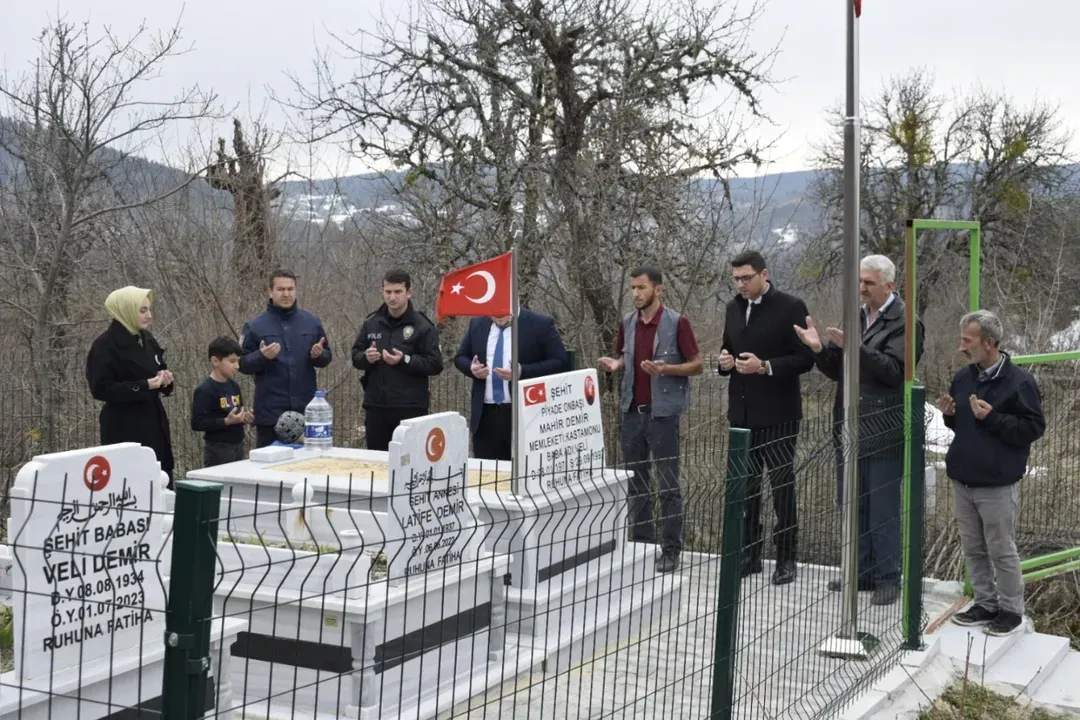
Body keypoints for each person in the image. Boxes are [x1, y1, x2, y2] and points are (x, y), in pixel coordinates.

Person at [794, 254, 924, 605]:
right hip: (849, 426)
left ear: (889, 286)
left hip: (882, 427)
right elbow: (839, 370)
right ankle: (861, 571)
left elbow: (896, 371)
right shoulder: (857, 317)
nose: (862, 288)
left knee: (882, 506)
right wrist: (819, 347)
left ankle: (887, 577)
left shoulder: (905, 323)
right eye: (860, 282)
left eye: (868, 282)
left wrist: (858, 348)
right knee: (852, 503)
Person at [938, 310, 1044, 637]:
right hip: (963, 477)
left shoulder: (1020, 382)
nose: (962, 346)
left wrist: (994, 418)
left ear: (990, 343)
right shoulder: (963, 378)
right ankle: (985, 603)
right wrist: (950, 415)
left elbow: (1033, 427)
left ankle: (1011, 611)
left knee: (1001, 548)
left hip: (997, 483)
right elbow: (963, 427)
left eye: (967, 341)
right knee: (973, 546)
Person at [717, 250, 814, 586]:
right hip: (741, 413)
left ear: (764, 274)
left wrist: (766, 366)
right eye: (737, 279)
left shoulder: (790, 307)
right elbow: (726, 348)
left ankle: (786, 556)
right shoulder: (732, 308)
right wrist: (724, 362)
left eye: (747, 277)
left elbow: (805, 359)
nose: (741, 284)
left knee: (782, 487)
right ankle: (749, 553)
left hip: (778, 413)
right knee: (746, 488)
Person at [598, 266, 703, 574]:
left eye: (641, 288)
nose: (635, 293)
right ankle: (643, 545)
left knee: (668, 485)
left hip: (663, 416)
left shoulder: (677, 323)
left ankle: (671, 549)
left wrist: (667, 370)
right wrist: (616, 364)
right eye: (632, 288)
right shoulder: (627, 323)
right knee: (636, 483)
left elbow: (696, 365)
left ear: (658, 289)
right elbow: (623, 356)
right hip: (632, 414)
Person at [86, 286, 176, 486]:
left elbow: (158, 369)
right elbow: (100, 388)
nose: (149, 316)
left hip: (154, 421)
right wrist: (143, 385)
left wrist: (165, 379)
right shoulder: (105, 345)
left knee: (161, 480)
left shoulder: (147, 338)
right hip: (124, 426)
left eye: (149, 310)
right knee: (132, 485)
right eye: (142, 310)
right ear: (125, 310)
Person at [454, 310, 569, 460]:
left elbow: (560, 362)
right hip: (485, 415)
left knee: (524, 471)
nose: (499, 316)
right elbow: (460, 357)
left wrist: (523, 371)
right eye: (495, 312)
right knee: (489, 474)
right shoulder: (477, 323)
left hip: (525, 413)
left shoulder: (540, 323)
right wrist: (471, 368)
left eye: (504, 312)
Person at [351, 269, 443, 451]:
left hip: (410, 408)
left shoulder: (422, 326)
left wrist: (405, 360)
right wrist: (366, 357)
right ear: (382, 291)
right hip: (376, 406)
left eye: (398, 292)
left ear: (409, 292)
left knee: (409, 463)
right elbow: (356, 356)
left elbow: (435, 364)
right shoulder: (372, 322)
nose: (392, 297)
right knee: (377, 464)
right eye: (388, 292)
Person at [240, 269, 333, 448]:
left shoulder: (312, 322)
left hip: (305, 412)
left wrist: (319, 355)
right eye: (281, 289)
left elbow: (327, 356)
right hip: (270, 415)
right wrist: (261, 356)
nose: (286, 294)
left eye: (290, 289)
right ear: (270, 292)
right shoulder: (255, 326)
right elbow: (242, 363)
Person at [191, 336, 255, 467]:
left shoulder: (234, 386)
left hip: (238, 445)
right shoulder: (205, 390)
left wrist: (245, 417)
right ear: (215, 361)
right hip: (217, 449)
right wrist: (225, 421)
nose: (237, 366)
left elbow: (238, 413)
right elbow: (197, 423)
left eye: (238, 361)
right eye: (232, 361)